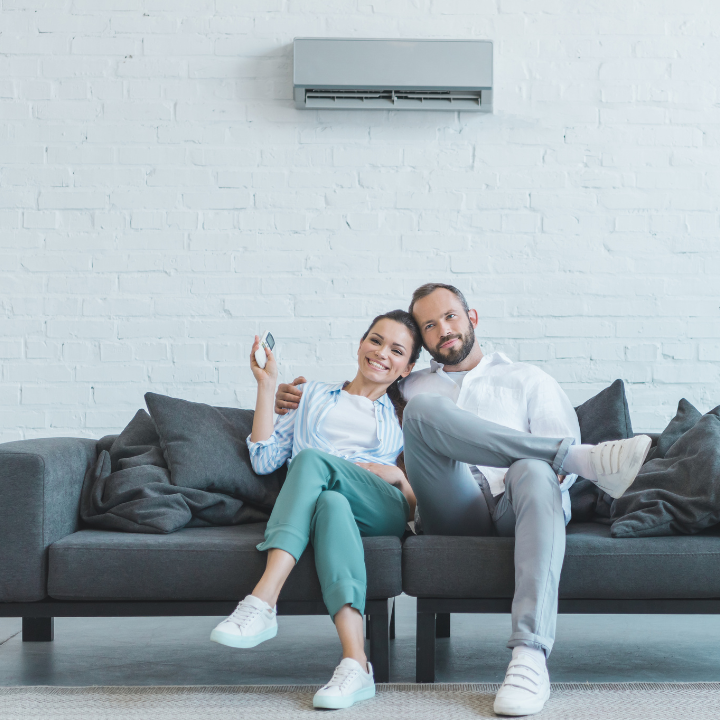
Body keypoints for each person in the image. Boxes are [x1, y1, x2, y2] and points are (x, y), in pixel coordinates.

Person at [275, 283, 651, 717]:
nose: (443, 330)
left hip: (519, 502)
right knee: (423, 411)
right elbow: (362, 397)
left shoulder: (527, 378)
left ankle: (529, 656)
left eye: (451, 317)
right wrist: (294, 399)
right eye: (429, 325)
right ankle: (577, 456)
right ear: (421, 342)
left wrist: (544, 464)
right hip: (452, 506)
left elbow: (557, 481)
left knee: (534, 468)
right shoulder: (412, 386)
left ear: (472, 319)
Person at [210, 310, 422, 710]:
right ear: (360, 344)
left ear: (407, 367)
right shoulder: (310, 395)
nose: (381, 353)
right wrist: (267, 386)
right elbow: (264, 459)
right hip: (333, 502)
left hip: (383, 505)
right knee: (329, 501)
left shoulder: (406, 417)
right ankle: (356, 662)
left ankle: (263, 599)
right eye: (375, 340)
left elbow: (421, 503)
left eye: (396, 350)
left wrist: (397, 475)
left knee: (310, 461)